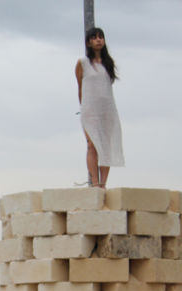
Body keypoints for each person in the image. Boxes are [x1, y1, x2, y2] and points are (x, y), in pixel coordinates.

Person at [75, 26, 124, 189]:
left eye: (100, 37)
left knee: (105, 145)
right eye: (94, 37)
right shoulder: (83, 63)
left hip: (107, 109)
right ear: (88, 42)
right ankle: (95, 182)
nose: (98, 40)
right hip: (90, 109)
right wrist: (82, 107)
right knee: (92, 145)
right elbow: (80, 87)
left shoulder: (108, 63)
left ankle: (103, 183)